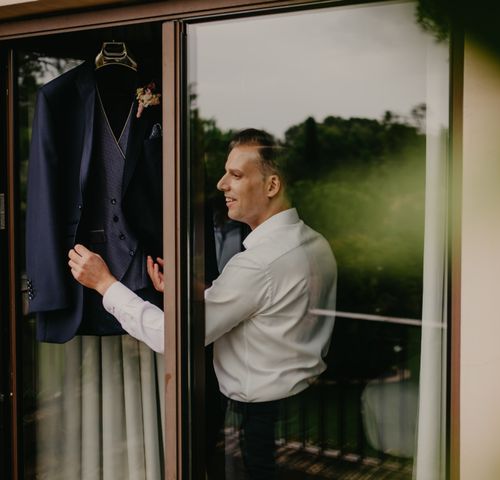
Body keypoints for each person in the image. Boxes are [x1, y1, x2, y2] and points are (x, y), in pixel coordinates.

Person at [68, 128, 337, 479]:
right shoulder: (314, 243)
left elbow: (173, 339)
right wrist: (196, 290)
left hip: (263, 422)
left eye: (236, 175)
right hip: (300, 408)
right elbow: (264, 306)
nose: (221, 184)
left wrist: (105, 284)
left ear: (272, 186)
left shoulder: (257, 265)